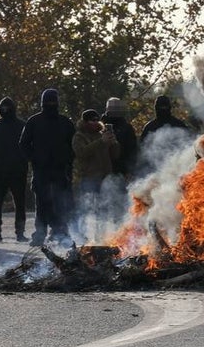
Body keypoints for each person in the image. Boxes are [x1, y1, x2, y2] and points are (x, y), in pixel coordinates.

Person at [19, 89, 76, 247]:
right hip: (41, 170)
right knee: (42, 204)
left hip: (60, 170)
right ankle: (40, 235)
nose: (51, 105)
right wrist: (35, 159)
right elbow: (23, 144)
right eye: (48, 102)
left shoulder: (65, 122)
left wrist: (67, 161)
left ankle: (61, 233)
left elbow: (74, 146)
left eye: (53, 102)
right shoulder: (34, 121)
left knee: (61, 203)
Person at [72, 109, 120, 242]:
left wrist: (113, 142)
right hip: (89, 178)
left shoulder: (101, 135)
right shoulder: (79, 136)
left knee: (103, 210)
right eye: (92, 120)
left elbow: (115, 156)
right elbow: (81, 153)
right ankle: (84, 239)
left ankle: (101, 238)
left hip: (105, 178)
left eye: (97, 120)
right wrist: (101, 142)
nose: (95, 123)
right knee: (88, 209)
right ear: (85, 121)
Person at [0, 97, 28, 243]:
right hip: (6, 169)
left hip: (12, 169)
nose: (5, 110)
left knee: (17, 202)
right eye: (2, 108)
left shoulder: (20, 125)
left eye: (6, 108)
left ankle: (15, 233)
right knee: (1, 202)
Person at [102, 97, 138, 179]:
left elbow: (132, 151)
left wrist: (129, 171)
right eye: (112, 108)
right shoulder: (99, 126)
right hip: (101, 171)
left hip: (121, 171)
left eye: (116, 108)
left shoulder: (126, 128)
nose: (114, 111)